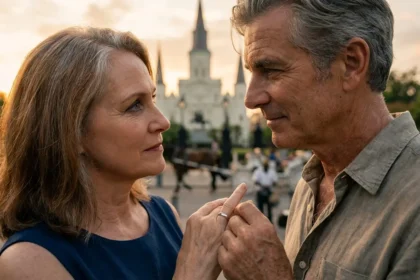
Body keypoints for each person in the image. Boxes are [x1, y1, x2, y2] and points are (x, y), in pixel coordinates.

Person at [0, 27, 248, 280]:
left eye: (152, 98)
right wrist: (193, 272)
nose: (163, 121)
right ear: (70, 131)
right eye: (134, 106)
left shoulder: (164, 215)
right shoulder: (29, 262)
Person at [218, 0, 420, 279]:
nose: (251, 99)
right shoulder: (311, 184)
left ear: (351, 63)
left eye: (271, 70)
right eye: (252, 73)